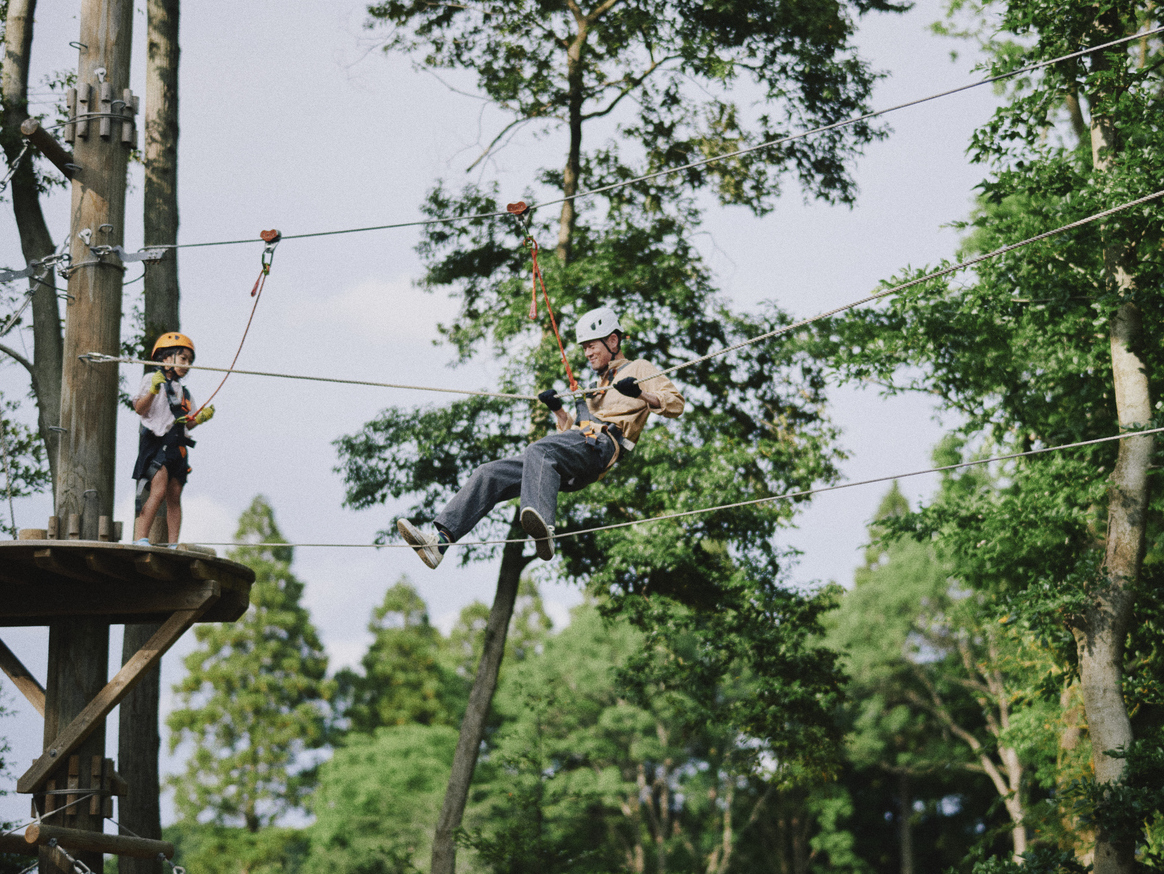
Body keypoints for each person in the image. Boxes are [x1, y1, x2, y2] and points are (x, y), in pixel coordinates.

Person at [398, 306, 684, 568]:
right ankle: (440, 543)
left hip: (602, 447)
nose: (587, 353)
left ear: (612, 341)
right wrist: (559, 410)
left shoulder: (639, 368)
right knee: (490, 473)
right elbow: (572, 433)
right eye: (584, 348)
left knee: (540, 450)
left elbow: (676, 404)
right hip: (574, 452)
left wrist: (640, 393)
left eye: (592, 345)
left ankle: (543, 527)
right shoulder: (594, 385)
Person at [131, 332, 215, 546]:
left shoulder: (184, 392)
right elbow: (140, 409)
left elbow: (186, 422)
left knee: (174, 496)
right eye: (183, 358)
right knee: (157, 491)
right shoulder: (151, 379)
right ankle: (140, 538)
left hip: (177, 446)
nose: (187, 364)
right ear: (166, 358)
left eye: (189, 361)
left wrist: (200, 418)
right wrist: (152, 390)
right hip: (157, 443)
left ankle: (173, 543)